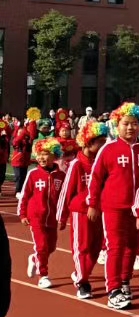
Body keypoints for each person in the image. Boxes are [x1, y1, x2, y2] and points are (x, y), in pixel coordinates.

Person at [86, 103, 139, 310]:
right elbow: (96, 179)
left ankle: (124, 281)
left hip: (137, 208)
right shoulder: (109, 149)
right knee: (115, 246)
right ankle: (113, 289)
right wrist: (93, 204)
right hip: (113, 206)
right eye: (125, 124)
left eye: (134, 124)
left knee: (133, 247)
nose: (130, 128)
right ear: (117, 125)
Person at [58, 119, 109, 298]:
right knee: (82, 247)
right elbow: (66, 191)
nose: (104, 146)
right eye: (100, 142)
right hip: (80, 211)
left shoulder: (102, 163)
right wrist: (62, 216)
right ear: (88, 142)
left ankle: (82, 274)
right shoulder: (76, 165)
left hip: (100, 210)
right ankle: (82, 281)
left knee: (96, 248)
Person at [17, 136, 65, 288]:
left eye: (45, 154)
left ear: (54, 156)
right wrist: (23, 214)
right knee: (42, 246)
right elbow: (25, 195)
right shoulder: (33, 174)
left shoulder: (61, 176)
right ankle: (43, 275)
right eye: (39, 154)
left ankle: (34, 259)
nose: (42, 158)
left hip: (52, 218)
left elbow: (64, 197)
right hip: (36, 217)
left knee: (51, 247)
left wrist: (63, 216)